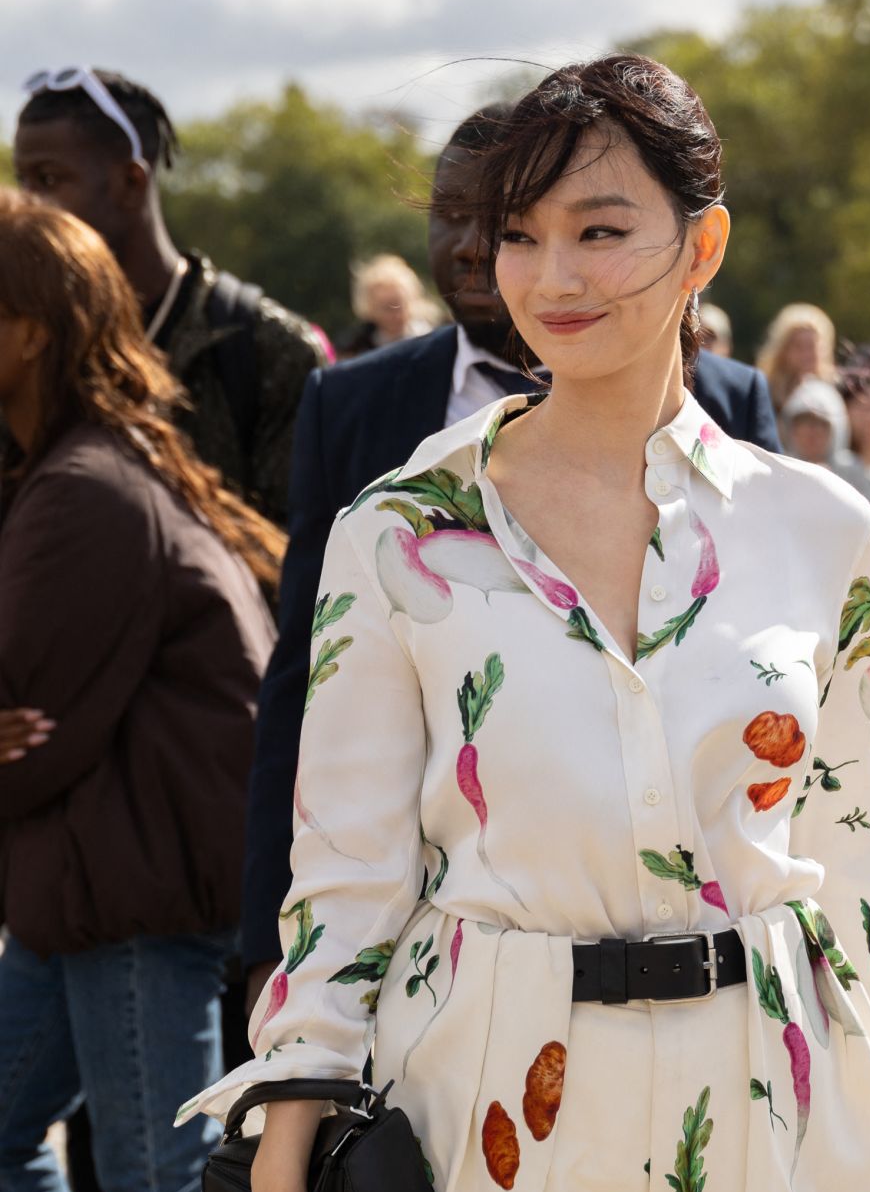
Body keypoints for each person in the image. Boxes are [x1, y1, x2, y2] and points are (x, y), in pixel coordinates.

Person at [179, 51, 870, 1192]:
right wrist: (281, 1163)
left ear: (705, 248)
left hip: (781, 1101)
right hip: (492, 1116)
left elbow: (850, 848)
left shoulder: (819, 528)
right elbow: (342, 887)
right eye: (516, 240)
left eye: (602, 230)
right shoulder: (399, 533)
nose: (550, 278)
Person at [238, 102, 782, 992]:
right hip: (425, 938)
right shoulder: (352, 410)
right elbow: (305, 673)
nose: (472, 244)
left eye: (581, 228)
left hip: (693, 944)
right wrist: (275, 936)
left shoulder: (734, 410)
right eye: (465, 217)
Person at [0, 190, 278, 1192]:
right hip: (83, 898)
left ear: (26, 332)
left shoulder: (84, 496)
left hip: (129, 902)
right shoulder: (80, 472)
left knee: (157, 1182)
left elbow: (30, 738)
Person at [13, 67, 327, 526]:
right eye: (22, 182)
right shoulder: (24, 341)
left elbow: (300, 561)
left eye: (48, 180)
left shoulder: (268, 351)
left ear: (131, 184)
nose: (28, 206)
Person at [778, 376, 870, 512]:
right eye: (803, 422)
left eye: (820, 423)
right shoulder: (779, 468)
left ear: (836, 429)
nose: (812, 431)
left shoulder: (852, 472)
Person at [340, 252, 437, 358]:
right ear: (370, 308)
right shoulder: (356, 347)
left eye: (398, 304)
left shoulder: (431, 338)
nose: (395, 314)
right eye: (386, 308)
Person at [757, 300, 839, 418]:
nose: (806, 354)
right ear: (783, 350)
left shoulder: (836, 393)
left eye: (811, 346)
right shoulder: (764, 393)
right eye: (798, 346)